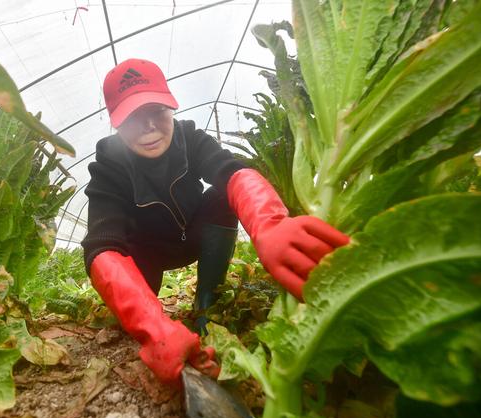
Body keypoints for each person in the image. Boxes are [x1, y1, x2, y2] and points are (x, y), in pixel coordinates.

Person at [81, 58, 349, 384]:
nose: (149, 126)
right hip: (145, 255)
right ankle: (157, 321)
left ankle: (205, 303)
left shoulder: (189, 138)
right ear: (117, 124)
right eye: (134, 117)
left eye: (157, 111)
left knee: (222, 195)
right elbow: (101, 245)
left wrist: (268, 222)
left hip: (194, 237)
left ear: (171, 108)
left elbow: (231, 171)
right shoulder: (108, 166)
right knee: (138, 320)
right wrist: (153, 326)